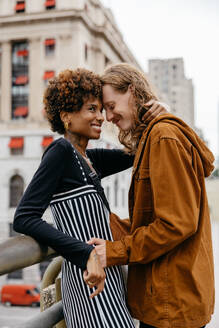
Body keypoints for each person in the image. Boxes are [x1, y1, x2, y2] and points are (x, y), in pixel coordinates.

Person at [13, 68, 167, 328]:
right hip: (89, 283)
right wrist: (85, 253)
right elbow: (24, 217)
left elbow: (141, 149)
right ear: (66, 117)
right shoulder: (60, 152)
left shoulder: (90, 158)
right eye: (91, 110)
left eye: (101, 110)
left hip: (108, 278)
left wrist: (160, 112)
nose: (101, 117)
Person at [88, 63, 215, 328]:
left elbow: (175, 224)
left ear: (132, 91)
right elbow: (153, 220)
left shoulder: (163, 137)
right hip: (169, 300)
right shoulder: (154, 136)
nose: (108, 117)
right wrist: (98, 223)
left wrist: (115, 251)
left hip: (171, 305)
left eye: (111, 106)